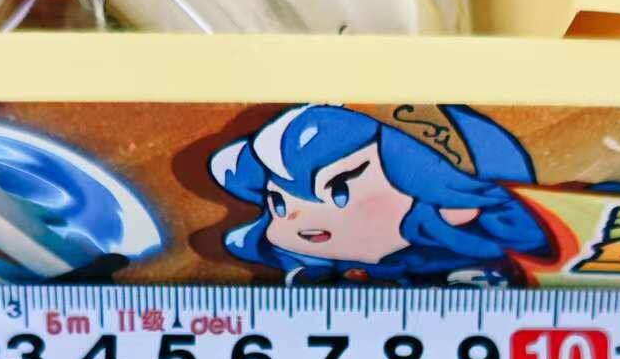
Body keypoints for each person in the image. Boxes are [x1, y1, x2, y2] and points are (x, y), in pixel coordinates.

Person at [209, 103, 553, 285]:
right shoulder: (318, 273)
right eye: (279, 204)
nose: (296, 217)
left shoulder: (456, 262)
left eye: (339, 191)